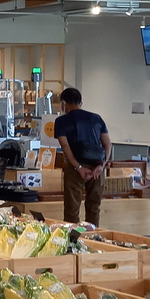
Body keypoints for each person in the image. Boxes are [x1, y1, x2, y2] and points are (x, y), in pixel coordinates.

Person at [55, 87, 112, 225]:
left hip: (75, 168)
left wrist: (79, 167)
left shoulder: (61, 121)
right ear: (80, 103)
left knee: (72, 209)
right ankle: (93, 235)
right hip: (97, 168)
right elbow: (107, 144)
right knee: (94, 207)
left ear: (63, 103)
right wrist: (102, 165)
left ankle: (73, 236)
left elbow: (65, 148)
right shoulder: (96, 118)